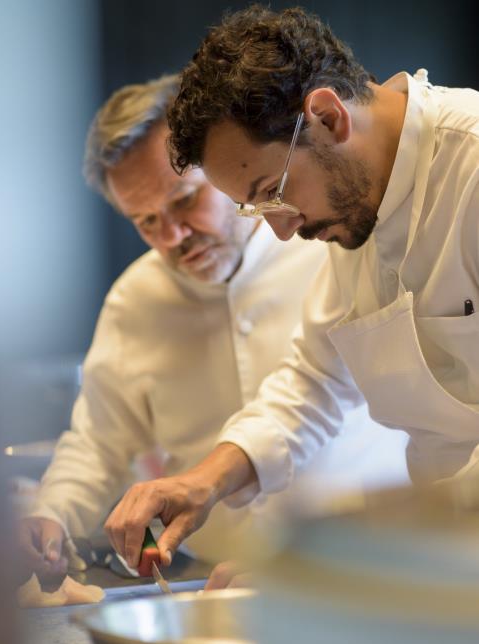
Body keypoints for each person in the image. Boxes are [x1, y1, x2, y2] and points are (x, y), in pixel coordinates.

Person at [104, 4, 479, 569]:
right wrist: (204, 481)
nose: (280, 231)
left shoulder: (470, 166)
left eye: (271, 190)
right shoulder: (357, 211)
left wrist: (340, 561)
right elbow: (315, 378)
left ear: (327, 116)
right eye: (254, 208)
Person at [20, 74, 407, 578]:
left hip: (363, 565)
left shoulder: (329, 246)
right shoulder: (133, 303)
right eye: (147, 221)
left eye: (184, 201)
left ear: (227, 170)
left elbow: (314, 395)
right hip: (205, 580)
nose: (174, 236)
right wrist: (51, 512)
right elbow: (97, 442)